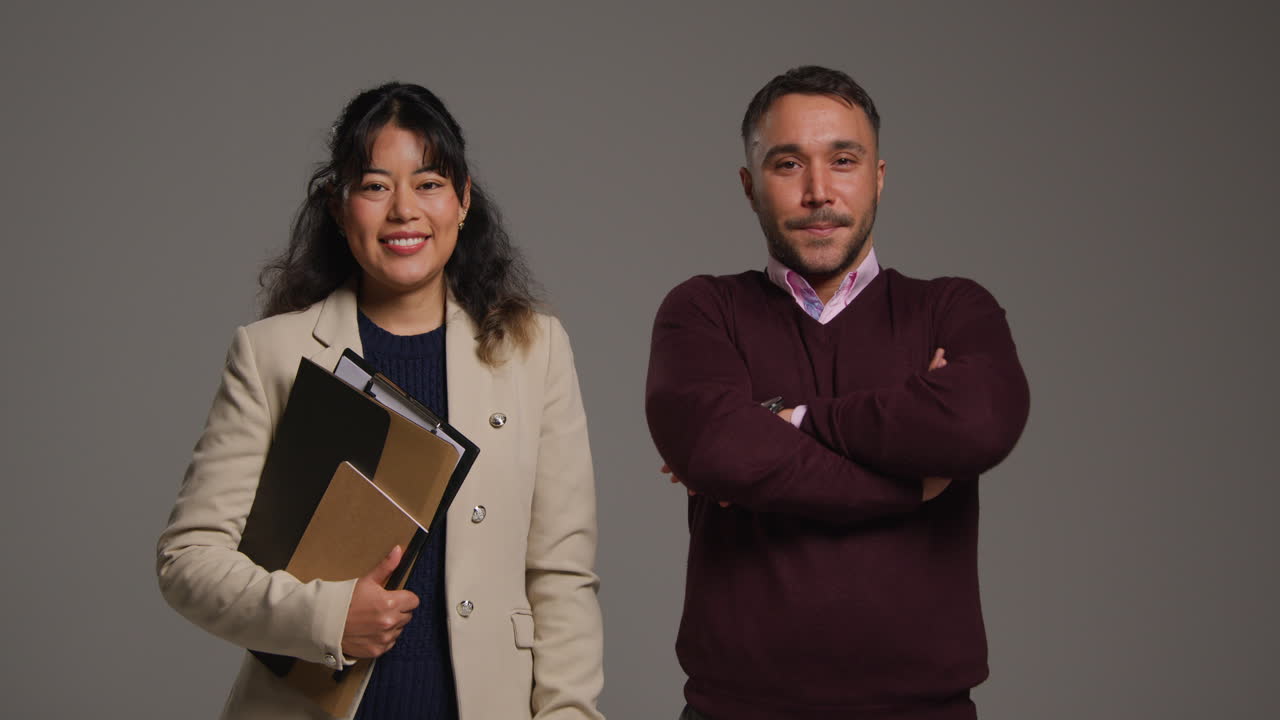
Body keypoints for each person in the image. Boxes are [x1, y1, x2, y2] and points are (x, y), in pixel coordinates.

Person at [157, 82, 604, 720]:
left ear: (464, 199)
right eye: (374, 186)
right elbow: (187, 560)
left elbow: (561, 576)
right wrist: (328, 618)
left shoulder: (535, 350)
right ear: (340, 209)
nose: (403, 211)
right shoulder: (274, 354)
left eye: (428, 183)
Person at [645, 66, 1030, 720]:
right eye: (788, 164)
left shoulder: (953, 308)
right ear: (749, 186)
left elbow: (981, 424)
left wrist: (788, 419)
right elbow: (719, 452)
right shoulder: (704, 310)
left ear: (878, 176)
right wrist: (911, 479)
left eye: (843, 161)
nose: (818, 191)